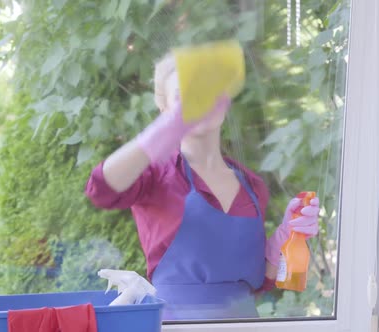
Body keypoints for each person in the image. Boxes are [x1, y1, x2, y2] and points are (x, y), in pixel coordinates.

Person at [85, 53, 320, 320]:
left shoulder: (252, 186)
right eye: (185, 94)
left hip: (246, 325)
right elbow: (101, 189)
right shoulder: (155, 176)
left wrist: (285, 240)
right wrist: (159, 135)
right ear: (163, 108)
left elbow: (259, 283)